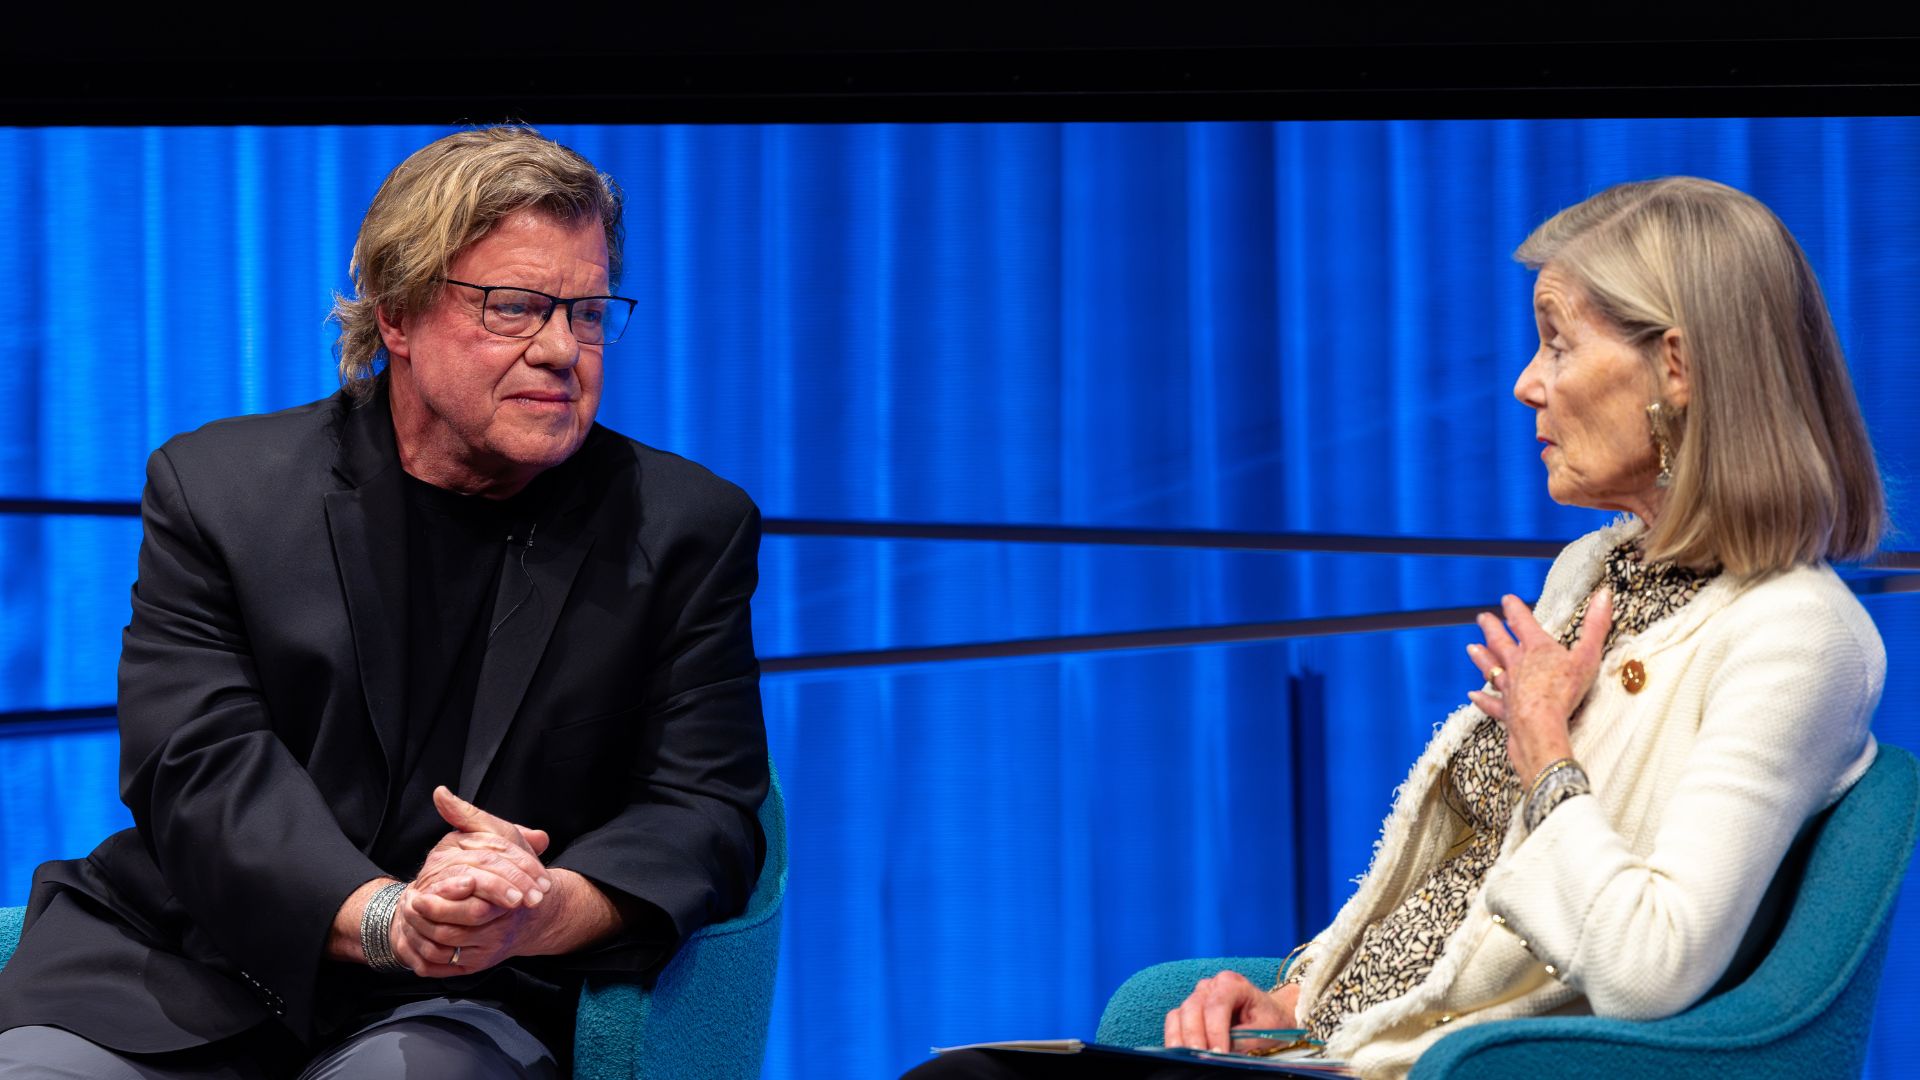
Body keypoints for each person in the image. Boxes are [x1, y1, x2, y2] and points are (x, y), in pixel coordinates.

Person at [912, 177, 1887, 1080]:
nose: (1525, 384)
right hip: (1347, 1047)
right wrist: (1297, 996)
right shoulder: (1592, 571)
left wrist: (1547, 749)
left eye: (1557, 342)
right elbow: (1462, 888)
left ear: (1674, 366)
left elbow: (1650, 966)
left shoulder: (1799, 637)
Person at [0, 126, 768, 1078]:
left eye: (587, 311)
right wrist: (381, 917)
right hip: (186, 959)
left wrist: (542, 905)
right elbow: (196, 767)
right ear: (396, 316)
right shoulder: (222, 490)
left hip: (468, 996)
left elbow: (705, 809)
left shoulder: (685, 526)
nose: (562, 349)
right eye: (517, 307)